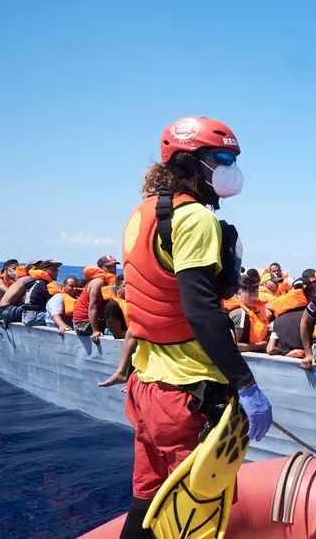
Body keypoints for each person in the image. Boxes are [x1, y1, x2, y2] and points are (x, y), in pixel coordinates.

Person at [115, 116, 273, 539]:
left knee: (147, 503)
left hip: (147, 387)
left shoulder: (145, 213)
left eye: (232, 159)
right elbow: (202, 311)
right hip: (188, 394)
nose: (229, 168)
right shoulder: (196, 219)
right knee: (196, 518)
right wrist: (246, 385)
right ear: (187, 162)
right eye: (220, 158)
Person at [71, 255, 125, 342]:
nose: (112, 269)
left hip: (97, 319)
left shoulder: (111, 281)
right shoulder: (98, 282)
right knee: (118, 329)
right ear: (100, 268)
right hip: (83, 324)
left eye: (114, 266)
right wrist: (95, 331)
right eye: (109, 267)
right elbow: (92, 306)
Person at [267, 275, 316, 357]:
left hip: (285, 359)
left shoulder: (277, 320)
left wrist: (287, 352)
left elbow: (270, 349)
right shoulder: (314, 317)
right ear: (311, 294)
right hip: (309, 358)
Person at [223, 270, 270, 352]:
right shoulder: (240, 314)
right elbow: (234, 346)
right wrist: (261, 346)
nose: (254, 298)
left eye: (256, 294)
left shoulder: (255, 308)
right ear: (239, 294)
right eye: (250, 294)